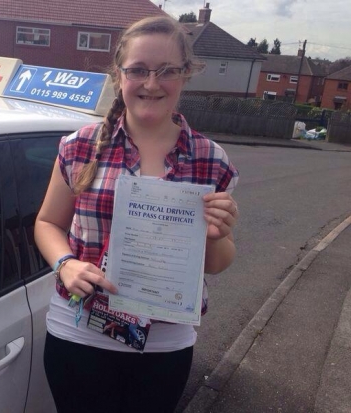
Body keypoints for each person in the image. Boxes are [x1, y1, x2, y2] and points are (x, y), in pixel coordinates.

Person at [34, 15, 239, 413]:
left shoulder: (211, 159)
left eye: (167, 71)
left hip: (164, 343)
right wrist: (65, 264)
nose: (151, 83)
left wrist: (217, 235)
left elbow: (216, 264)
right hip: (79, 332)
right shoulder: (78, 147)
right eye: (139, 70)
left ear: (185, 75)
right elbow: (47, 223)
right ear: (119, 74)